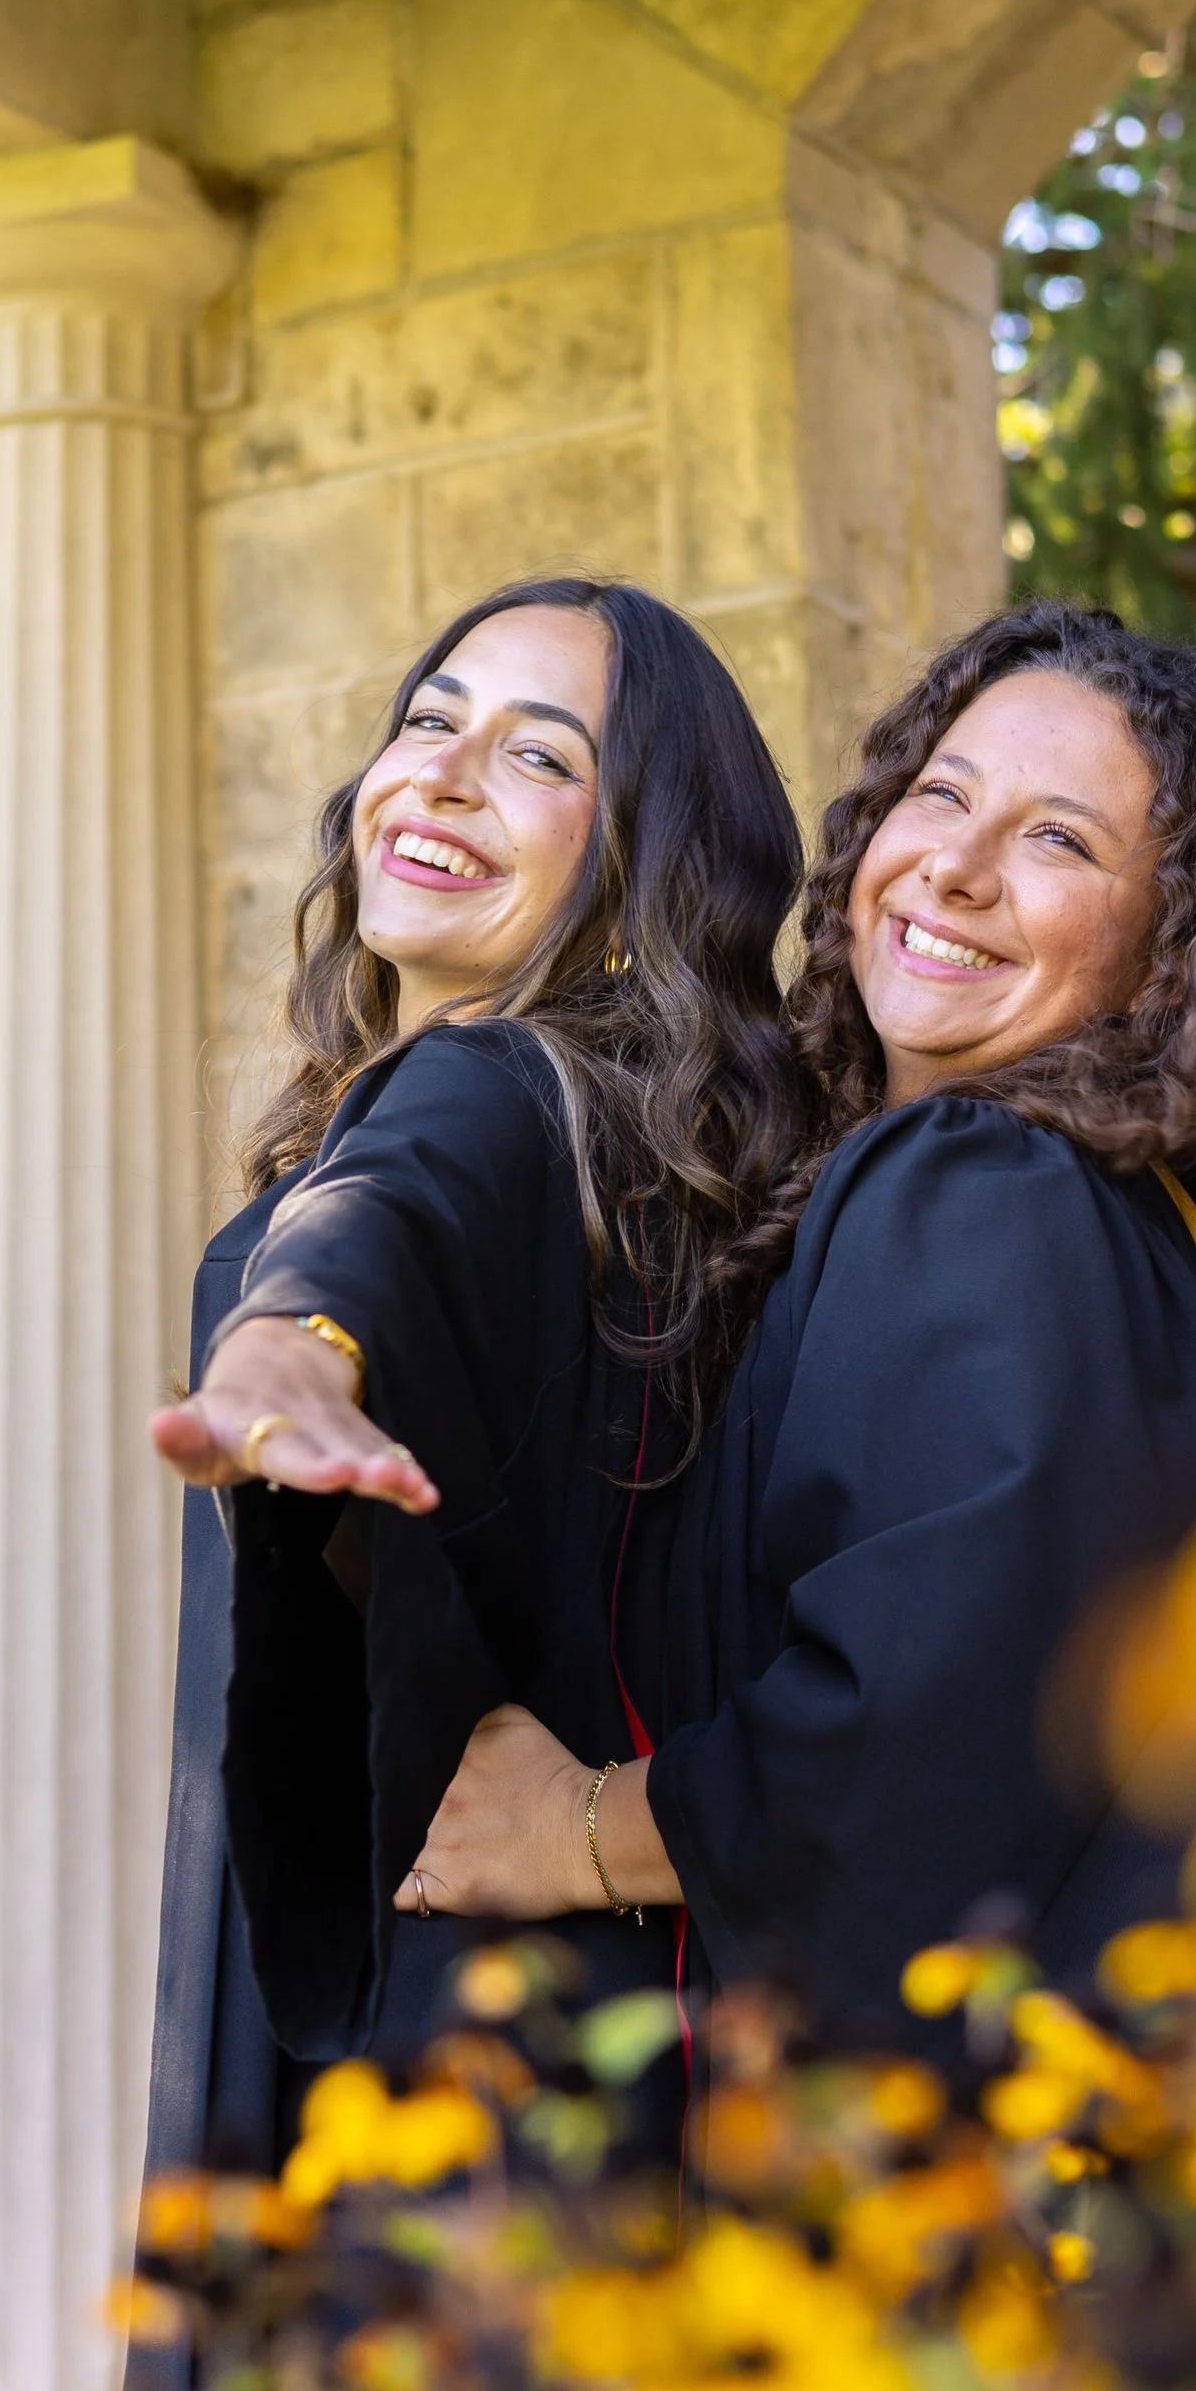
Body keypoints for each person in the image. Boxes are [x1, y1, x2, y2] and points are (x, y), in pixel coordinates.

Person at [401, 600, 1196, 2036]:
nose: (956, 871)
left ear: (1180, 945)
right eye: (943, 797)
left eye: (1062, 841)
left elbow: (926, 1726)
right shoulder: (1135, 1231)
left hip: (1000, 2176)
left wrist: (580, 1825)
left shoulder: (980, 1180)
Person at [143, 577, 807, 2175]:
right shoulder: (631, 1163)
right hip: (578, 2034)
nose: (439, 771)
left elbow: (392, 1220)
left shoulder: (501, 1090)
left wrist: (289, 1343)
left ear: (640, 858)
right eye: (428, 720)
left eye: (539, 755)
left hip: (468, 2077)